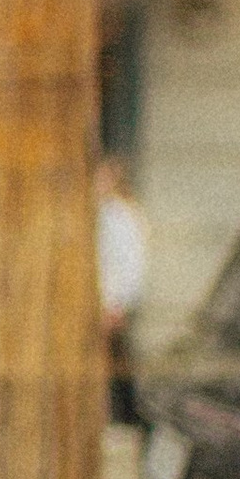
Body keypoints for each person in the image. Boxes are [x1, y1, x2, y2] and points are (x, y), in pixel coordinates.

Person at [97, 153, 149, 426]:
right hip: (101, 299)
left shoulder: (121, 216)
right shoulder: (100, 212)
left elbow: (130, 264)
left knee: (110, 362)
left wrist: (118, 303)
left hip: (111, 300)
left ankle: (120, 417)